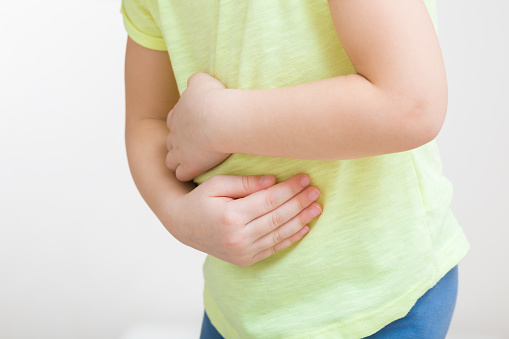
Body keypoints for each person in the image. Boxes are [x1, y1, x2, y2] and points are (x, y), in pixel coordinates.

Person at [121, 0, 470, 338]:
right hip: (236, 308)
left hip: (378, 301)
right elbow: (148, 119)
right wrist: (176, 212)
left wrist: (216, 123)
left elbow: (409, 105)